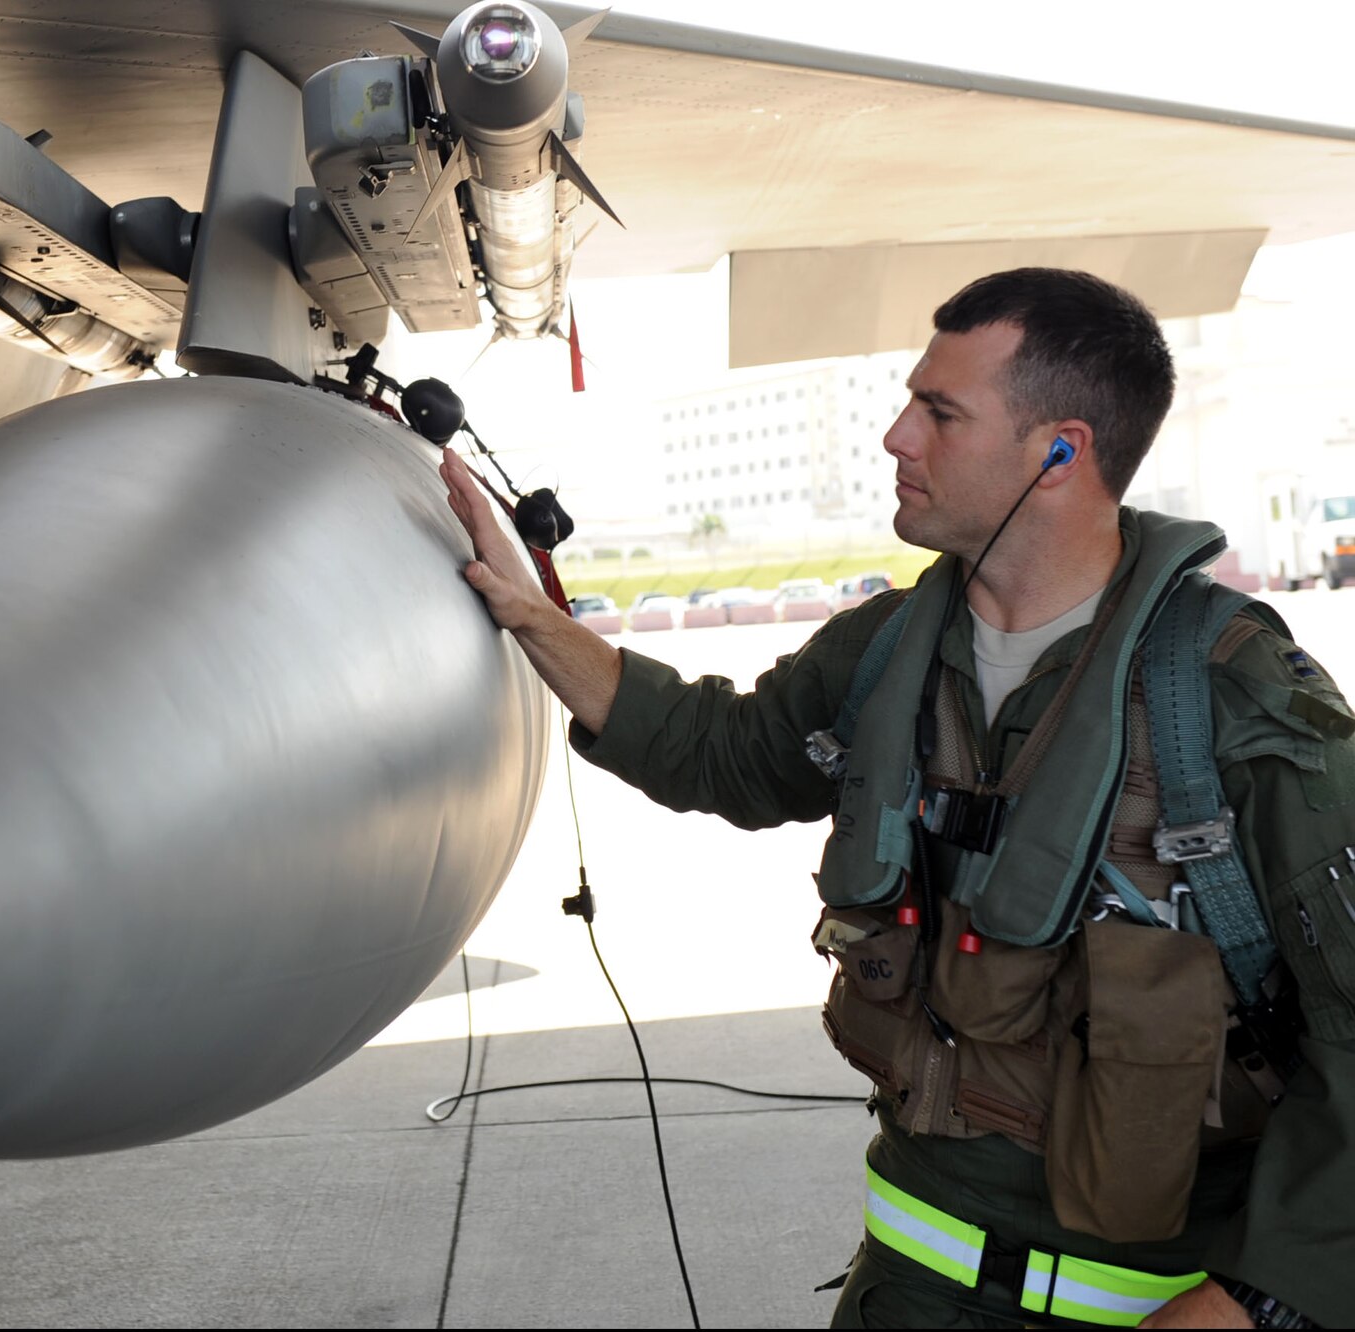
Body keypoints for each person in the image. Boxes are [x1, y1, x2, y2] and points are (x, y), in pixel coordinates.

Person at [439, 269, 1355, 1330]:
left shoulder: (1228, 698)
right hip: (907, 1297)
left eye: (938, 412)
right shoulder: (886, 654)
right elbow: (724, 753)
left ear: (1057, 452)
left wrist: (1256, 1304)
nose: (893, 437)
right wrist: (529, 612)